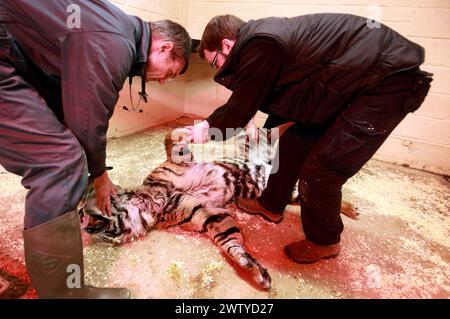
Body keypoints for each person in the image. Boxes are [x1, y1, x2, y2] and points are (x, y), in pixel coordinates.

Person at [188, 14, 432, 264]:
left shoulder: (260, 42)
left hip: (386, 84)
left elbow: (244, 102)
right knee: (295, 142)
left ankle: (324, 241)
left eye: (214, 62)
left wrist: (206, 128)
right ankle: (270, 204)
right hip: (352, 84)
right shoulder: (263, 39)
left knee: (322, 169)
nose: (218, 69)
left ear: (227, 45)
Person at [0, 0, 191, 298]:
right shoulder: (115, 42)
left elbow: (68, 106)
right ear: (164, 48)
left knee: (63, 149)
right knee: (60, 163)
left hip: (10, 50)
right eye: (171, 72)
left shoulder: (118, 30)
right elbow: (87, 121)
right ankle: (66, 293)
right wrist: (99, 175)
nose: (164, 81)